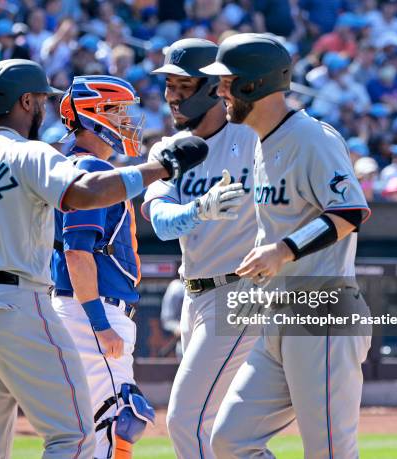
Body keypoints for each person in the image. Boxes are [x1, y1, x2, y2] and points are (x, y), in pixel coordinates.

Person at [0, 59, 207, 459]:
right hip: (16, 304)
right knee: (76, 436)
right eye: (42, 102)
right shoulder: (30, 153)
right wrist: (160, 168)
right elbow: (83, 195)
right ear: (27, 101)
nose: (46, 110)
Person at [200, 33, 372, 458]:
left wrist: (283, 250)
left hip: (322, 310)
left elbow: (350, 211)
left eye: (226, 81)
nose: (218, 90)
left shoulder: (311, 137)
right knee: (230, 441)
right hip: (277, 315)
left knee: (329, 451)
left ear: (253, 85)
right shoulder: (264, 142)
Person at [141, 38, 260, 459]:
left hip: (242, 292)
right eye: (169, 85)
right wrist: (198, 210)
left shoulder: (251, 139)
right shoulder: (169, 150)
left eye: (183, 85)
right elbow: (160, 222)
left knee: (186, 420)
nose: (172, 95)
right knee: (222, 432)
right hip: (194, 296)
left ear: (213, 86)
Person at [51, 75, 155, 459]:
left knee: (85, 430)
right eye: (117, 111)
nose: (127, 120)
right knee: (118, 421)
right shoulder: (90, 167)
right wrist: (99, 322)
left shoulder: (65, 166)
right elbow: (77, 252)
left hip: (76, 309)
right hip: (90, 311)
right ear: (93, 114)